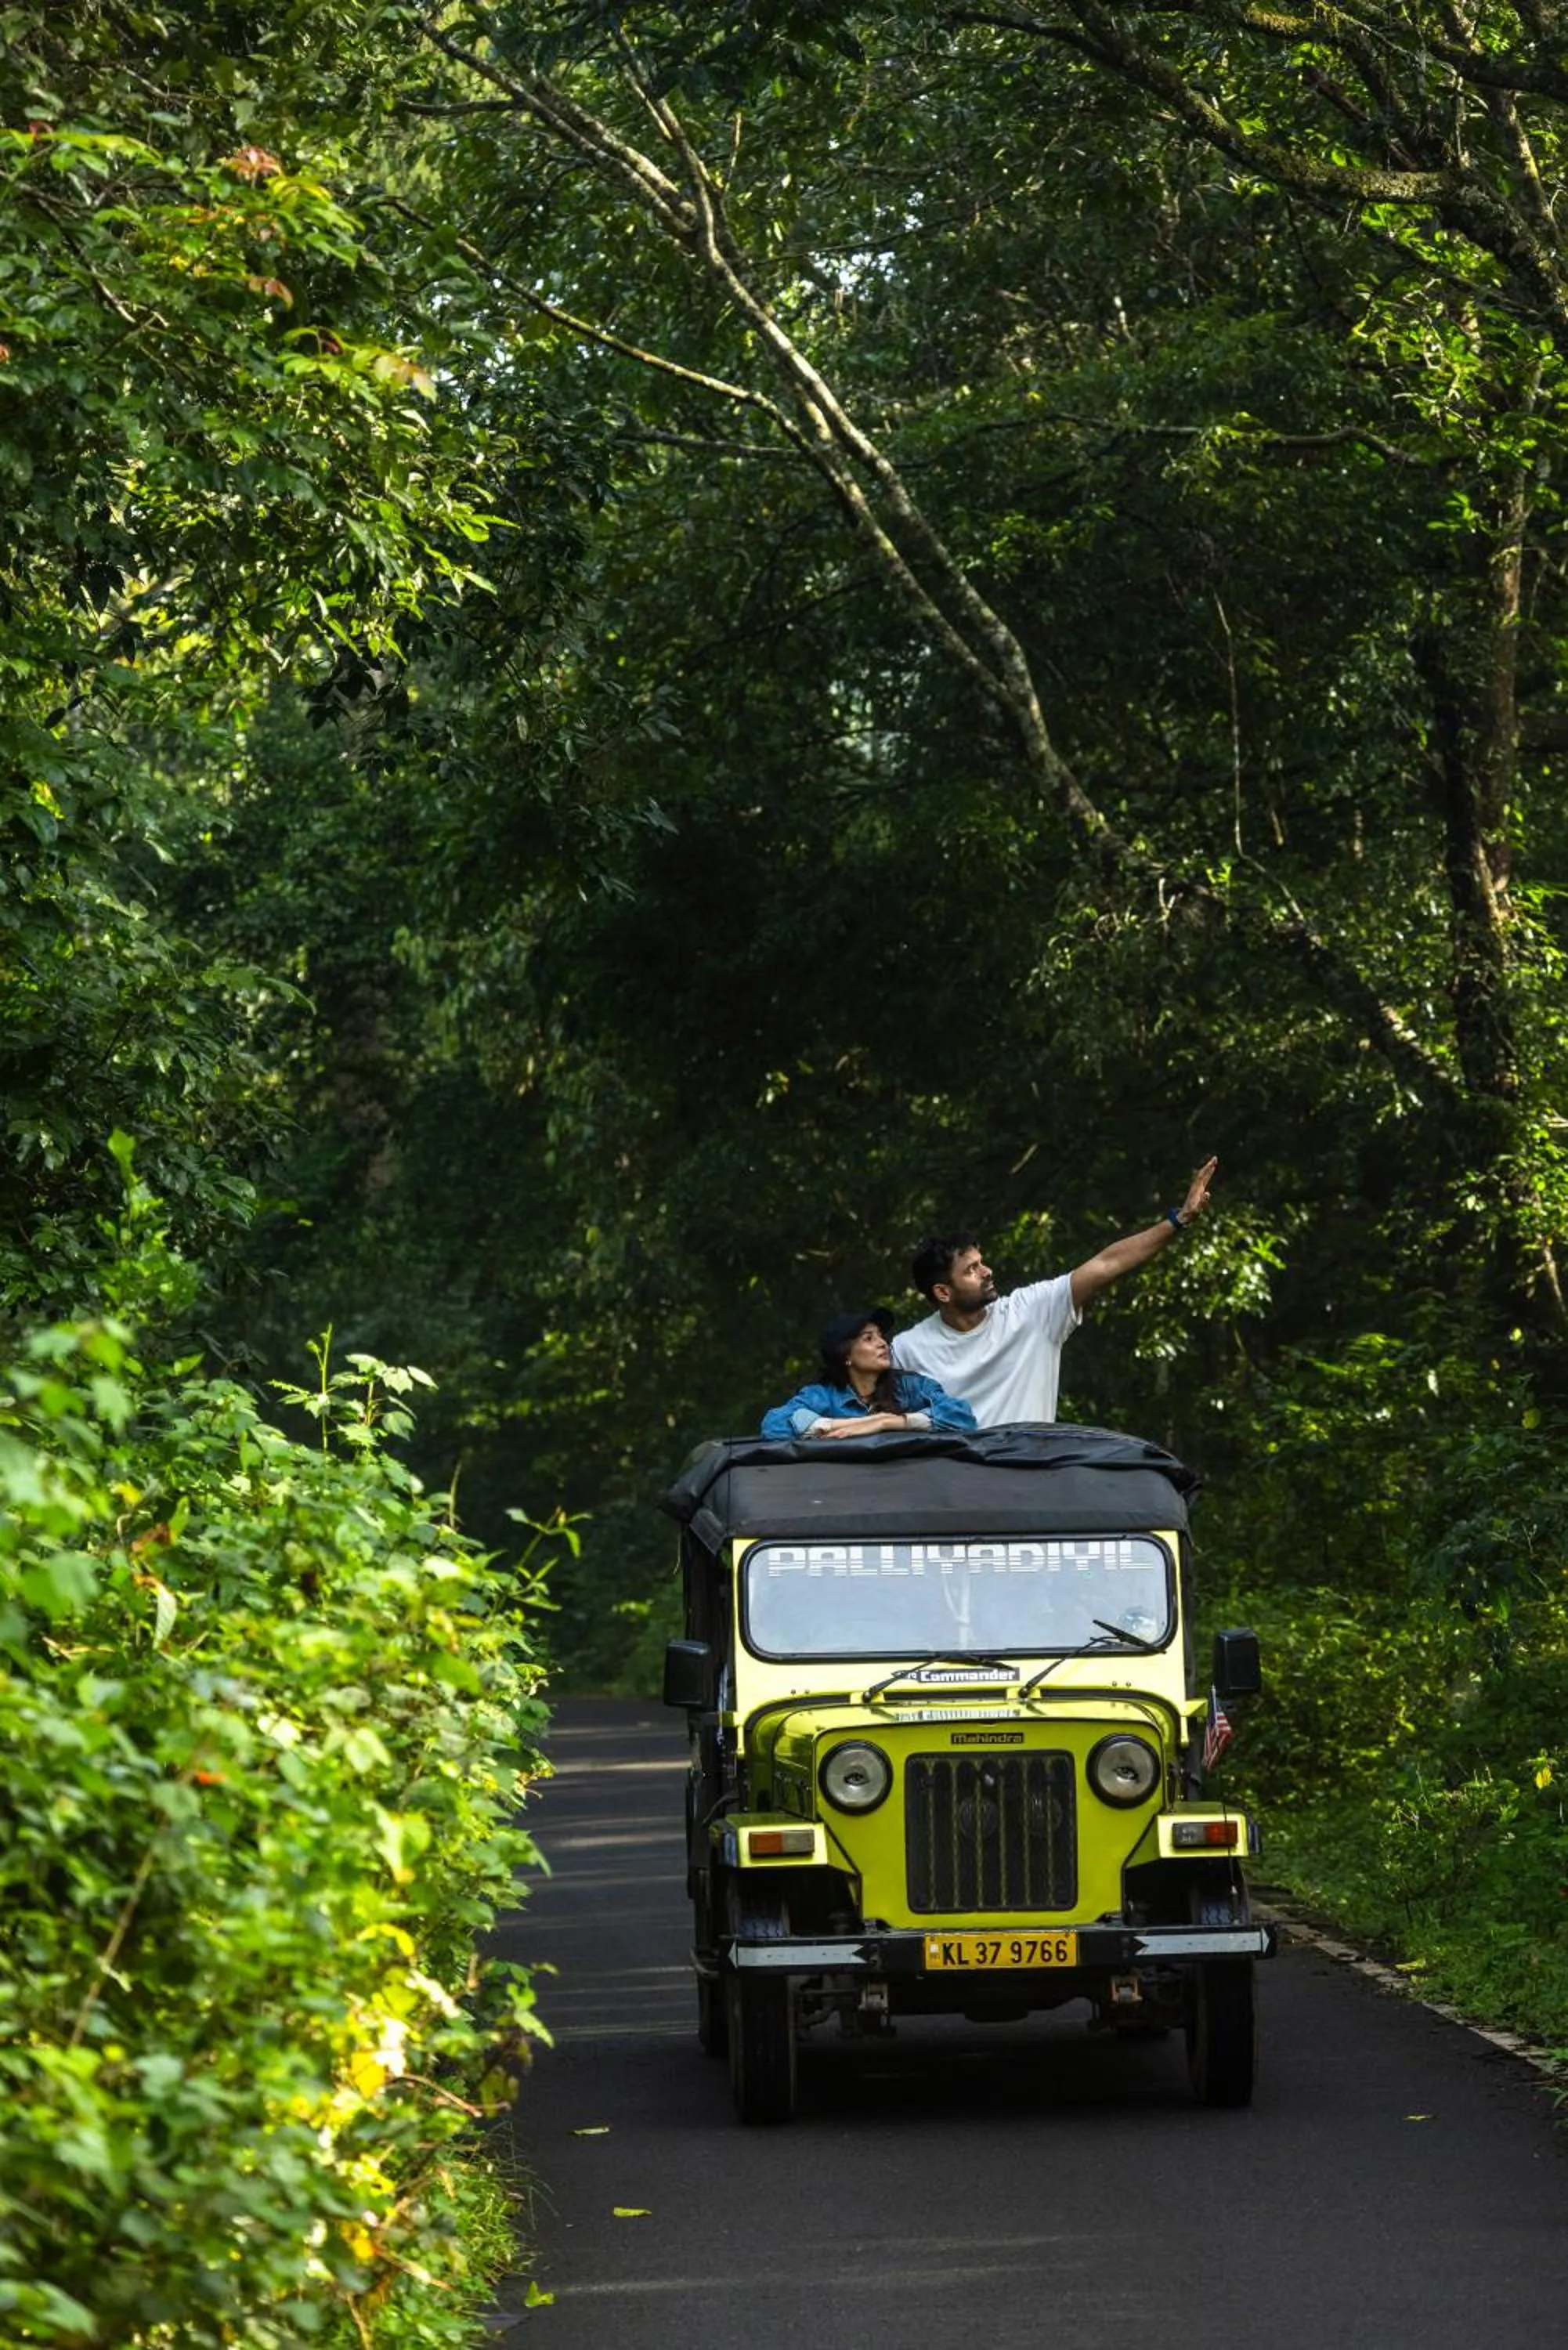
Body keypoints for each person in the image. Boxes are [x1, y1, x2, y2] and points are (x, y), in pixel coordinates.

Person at [891, 1158, 1218, 1426]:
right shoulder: (909, 1350)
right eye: (972, 1270)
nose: (987, 1271)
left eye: (982, 1262)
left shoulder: (1031, 1312)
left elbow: (1108, 1264)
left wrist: (1180, 1219)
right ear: (943, 1292)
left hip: (1033, 1485)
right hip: (954, 1498)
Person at [762, 1307, 977, 1441]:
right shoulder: (823, 1395)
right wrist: (848, 1426)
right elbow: (774, 1425)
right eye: (868, 1339)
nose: (883, 1343)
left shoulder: (911, 1387)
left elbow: (962, 1417)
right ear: (845, 1355)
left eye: (881, 1336)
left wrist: (889, 1422)